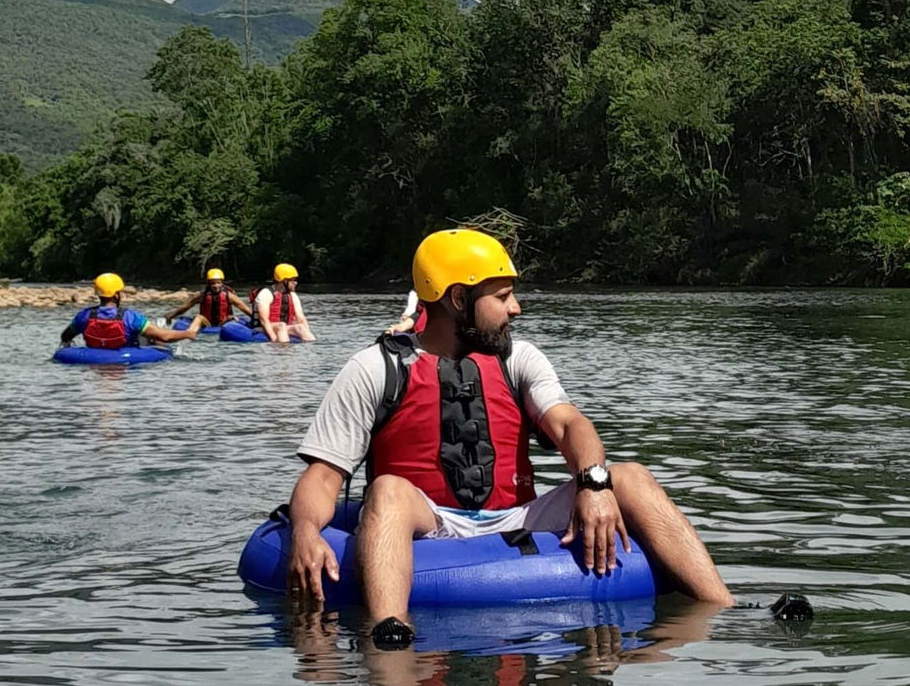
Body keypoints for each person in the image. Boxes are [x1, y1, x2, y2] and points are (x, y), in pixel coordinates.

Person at [285, 229, 736, 650]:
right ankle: (391, 640)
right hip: (428, 522)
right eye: (502, 297)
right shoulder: (374, 369)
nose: (516, 308)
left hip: (517, 516)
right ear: (459, 299)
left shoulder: (519, 359)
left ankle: (725, 612)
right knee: (385, 490)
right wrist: (306, 531)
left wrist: (593, 485)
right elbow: (323, 476)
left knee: (631, 477)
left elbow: (568, 425)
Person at [60, 272, 201, 348]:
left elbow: (65, 337)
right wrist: (187, 333)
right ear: (116, 295)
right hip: (126, 358)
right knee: (153, 335)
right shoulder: (130, 317)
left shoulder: (84, 316)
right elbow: (164, 337)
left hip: (93, 356)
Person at [250, 263, 316, 343]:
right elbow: (264, 320)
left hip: (283, 326)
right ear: (284, 281)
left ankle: (312, 349)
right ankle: (282, 352)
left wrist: (307, 331)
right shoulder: (266, 293)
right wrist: (273, 338)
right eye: (293, 280)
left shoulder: (292, 295)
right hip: (262, 328)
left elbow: (301, 318)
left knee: (300, 327)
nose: (296, 283)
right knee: (281, 326)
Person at [164, 268, 253, 327]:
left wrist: (258, 320)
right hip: (207, 324)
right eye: (213, 283)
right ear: (208, 283)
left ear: (222, 283)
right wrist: (171, 316)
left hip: (224, 323)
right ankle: (190, 334)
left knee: (232, 317)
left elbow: (244, 308)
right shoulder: (202, 295)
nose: (215, 285)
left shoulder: (229, 296)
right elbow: (185, 307)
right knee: (198, 317)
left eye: (218, 282)